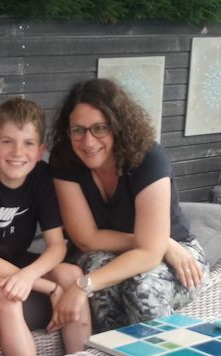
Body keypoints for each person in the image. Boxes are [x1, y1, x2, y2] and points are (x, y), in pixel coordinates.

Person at [48, 78, 209, 333]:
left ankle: (165, 354)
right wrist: (161, 243)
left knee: (142, 289)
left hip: (181, 254)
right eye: (78, 130)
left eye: (99, 128)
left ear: (118, 126)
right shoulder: (65, 158)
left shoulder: (148, 159)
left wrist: (83, 285)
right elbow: (87, 238)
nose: (88, 142)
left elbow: (149, 254)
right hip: (119, 250)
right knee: (103, 290)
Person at [0, 97, 91, 356]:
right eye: (8, 141)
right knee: (8, 295)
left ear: (40, 151)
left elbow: (57, 246)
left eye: (28, 143)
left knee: (72, 275)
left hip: (16, 260)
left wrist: (29, 276)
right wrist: (48, 287)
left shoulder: (42, 177)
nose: (18, 152)